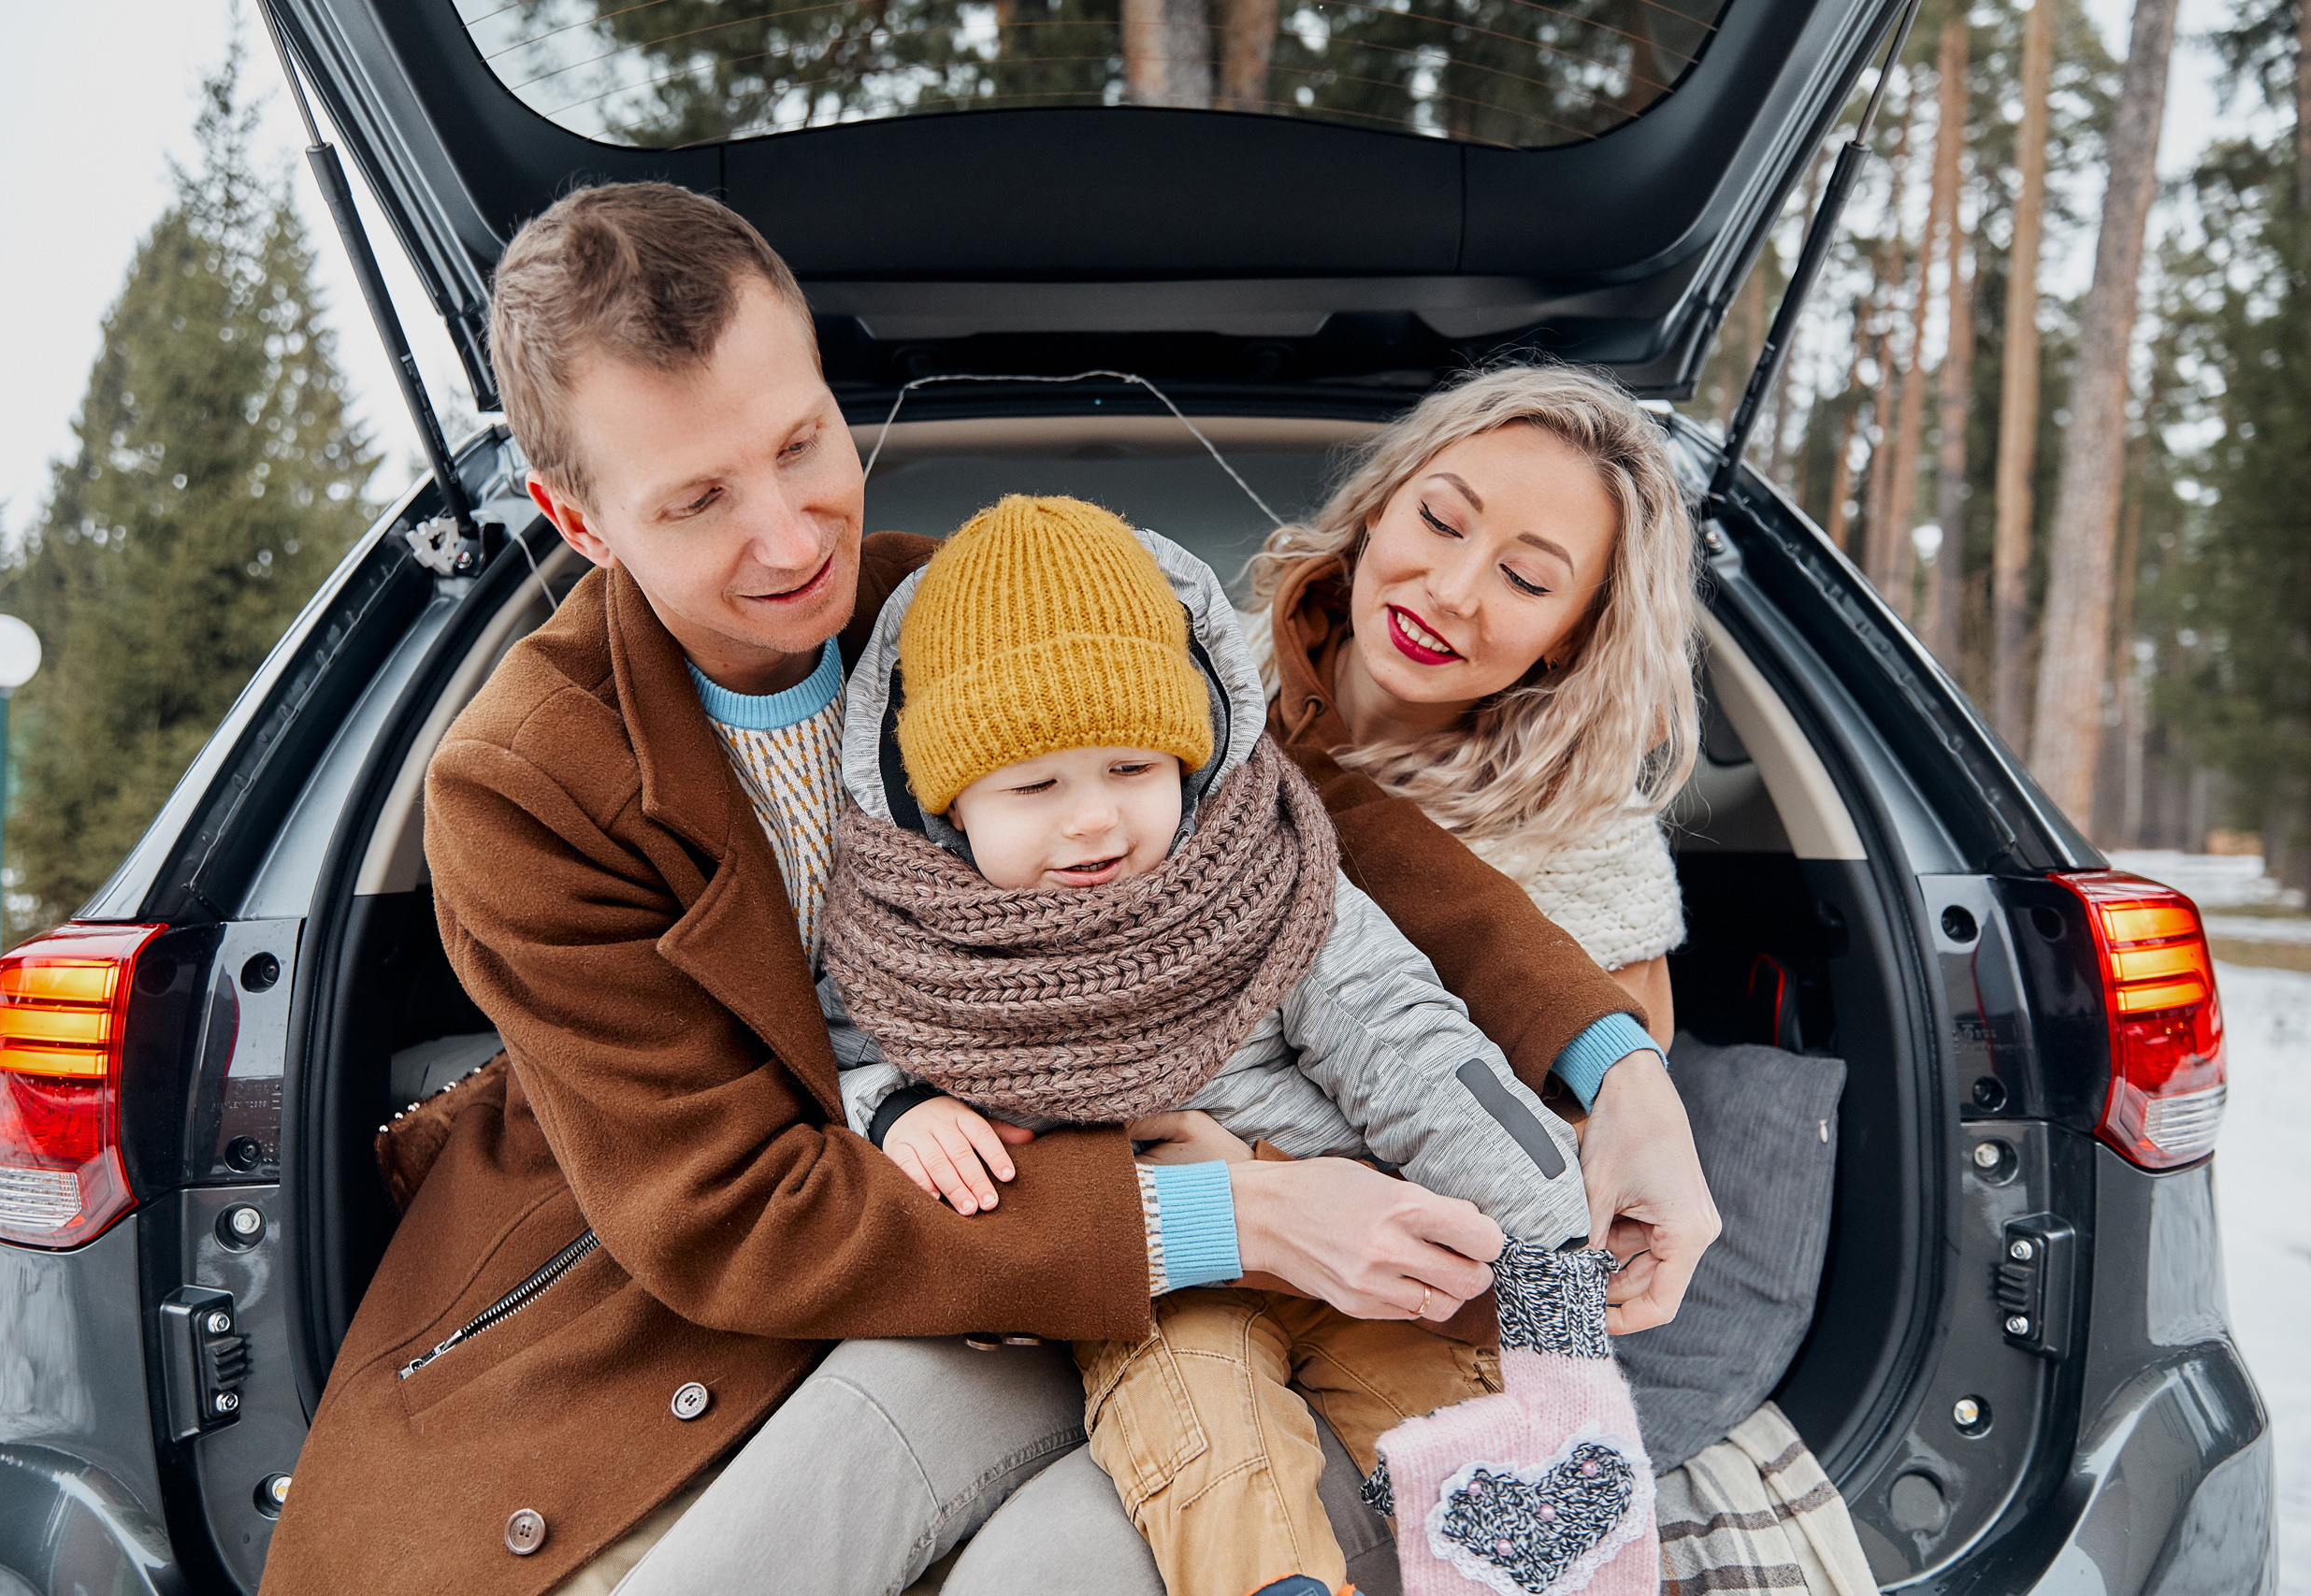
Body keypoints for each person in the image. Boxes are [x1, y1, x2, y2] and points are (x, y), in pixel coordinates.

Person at [258, 182, 1707, 1596]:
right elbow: (731, 1214)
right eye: (697, 498)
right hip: (711, 1314)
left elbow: (1312, 828)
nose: (791, 537)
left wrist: (1616, 1062)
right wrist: (1238, 1212)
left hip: (1051, 1281)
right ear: (578, 522)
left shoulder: (958, 605)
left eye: (804, 441)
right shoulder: (526, 778)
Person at [812, 492, 1634, 1596]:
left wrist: (1551, 1256)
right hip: (1157, 1287)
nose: (1094, 819)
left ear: (1192, 758)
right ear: (945, 805)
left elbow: (1416, 1051)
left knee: (1485, 1432)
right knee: (1204, 1446)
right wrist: (902, 1107)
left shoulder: (1269, 879)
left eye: (1133, 769)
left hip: (1363, 1237)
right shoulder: (907, 942)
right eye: (1035, 786)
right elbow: (835, 1045)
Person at [1241, 364, 1872, 1592]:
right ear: (1378, 506)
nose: (1454, 589)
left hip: (1402, 1309)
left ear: (1573, 632)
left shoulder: (1593, 861)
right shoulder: (1191, 688)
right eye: (1440, 518)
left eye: (1527, 579)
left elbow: (1545, 1192)